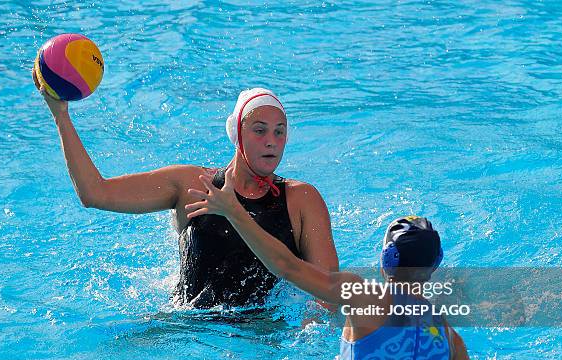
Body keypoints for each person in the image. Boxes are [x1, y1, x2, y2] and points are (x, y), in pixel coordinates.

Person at [32, 74, 339, 308]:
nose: (271, 141)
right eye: (259, 130)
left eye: (279, 132)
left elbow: (328, 293)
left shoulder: (301, 200)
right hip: (187, 326)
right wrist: (61, 114)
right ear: (238, 135)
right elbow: (94, 193)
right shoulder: (190, 185)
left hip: (262, 333)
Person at [185, 169, 476, 360]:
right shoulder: (447, 334)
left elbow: (286, 266)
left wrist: (233, 211)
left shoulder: (363, 297)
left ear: (387, 260)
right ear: (434, 266)